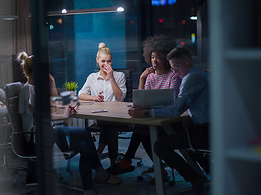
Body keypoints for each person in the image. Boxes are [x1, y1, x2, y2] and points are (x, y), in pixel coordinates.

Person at [17, 52, 122, 195]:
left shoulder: (35, 87)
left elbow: (53, 103)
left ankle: (91, 183)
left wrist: (53, 83)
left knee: (85, 144)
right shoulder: (28, 89)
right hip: (37, 135)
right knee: (85, 138)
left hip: (47, 130)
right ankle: (97, 176)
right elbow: (41, 111)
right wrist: (63, 111)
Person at [129, 46, 209, 195]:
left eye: (177, 67)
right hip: (204, 128)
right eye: (173, 68)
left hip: (204, 131)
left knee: (159, 146)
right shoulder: (196, 74)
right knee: (165, 134)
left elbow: (175, 110)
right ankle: (205, 173)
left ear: (187, 60)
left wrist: (145, 113)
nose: (176, 72)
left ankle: (195, 178)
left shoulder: (191, 78)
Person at [110, 36, 181, 175]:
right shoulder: (150, 76)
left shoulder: (174, 76)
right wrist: (142, 78)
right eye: (153, 57)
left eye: (159, 57)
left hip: (168, 120)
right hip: (150, 119)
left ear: (166, 59)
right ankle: (155, 168)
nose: (154, 60)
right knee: (142, 131)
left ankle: (127, 160)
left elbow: (174, 100)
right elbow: (141, 99)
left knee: (141, 131)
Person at [78, 43, 127, 167]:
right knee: (109, 126)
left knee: (110, 125)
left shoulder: (119, 76)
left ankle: (98, 153)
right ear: (97, 60)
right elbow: (81, 94)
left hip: (118, 116)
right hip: (101, 116)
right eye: (103, 61)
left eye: (109, 61)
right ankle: (113, 163)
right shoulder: (92, 77)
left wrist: (111, 78)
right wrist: (94, 97)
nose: (106, 64)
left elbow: (120, 97)